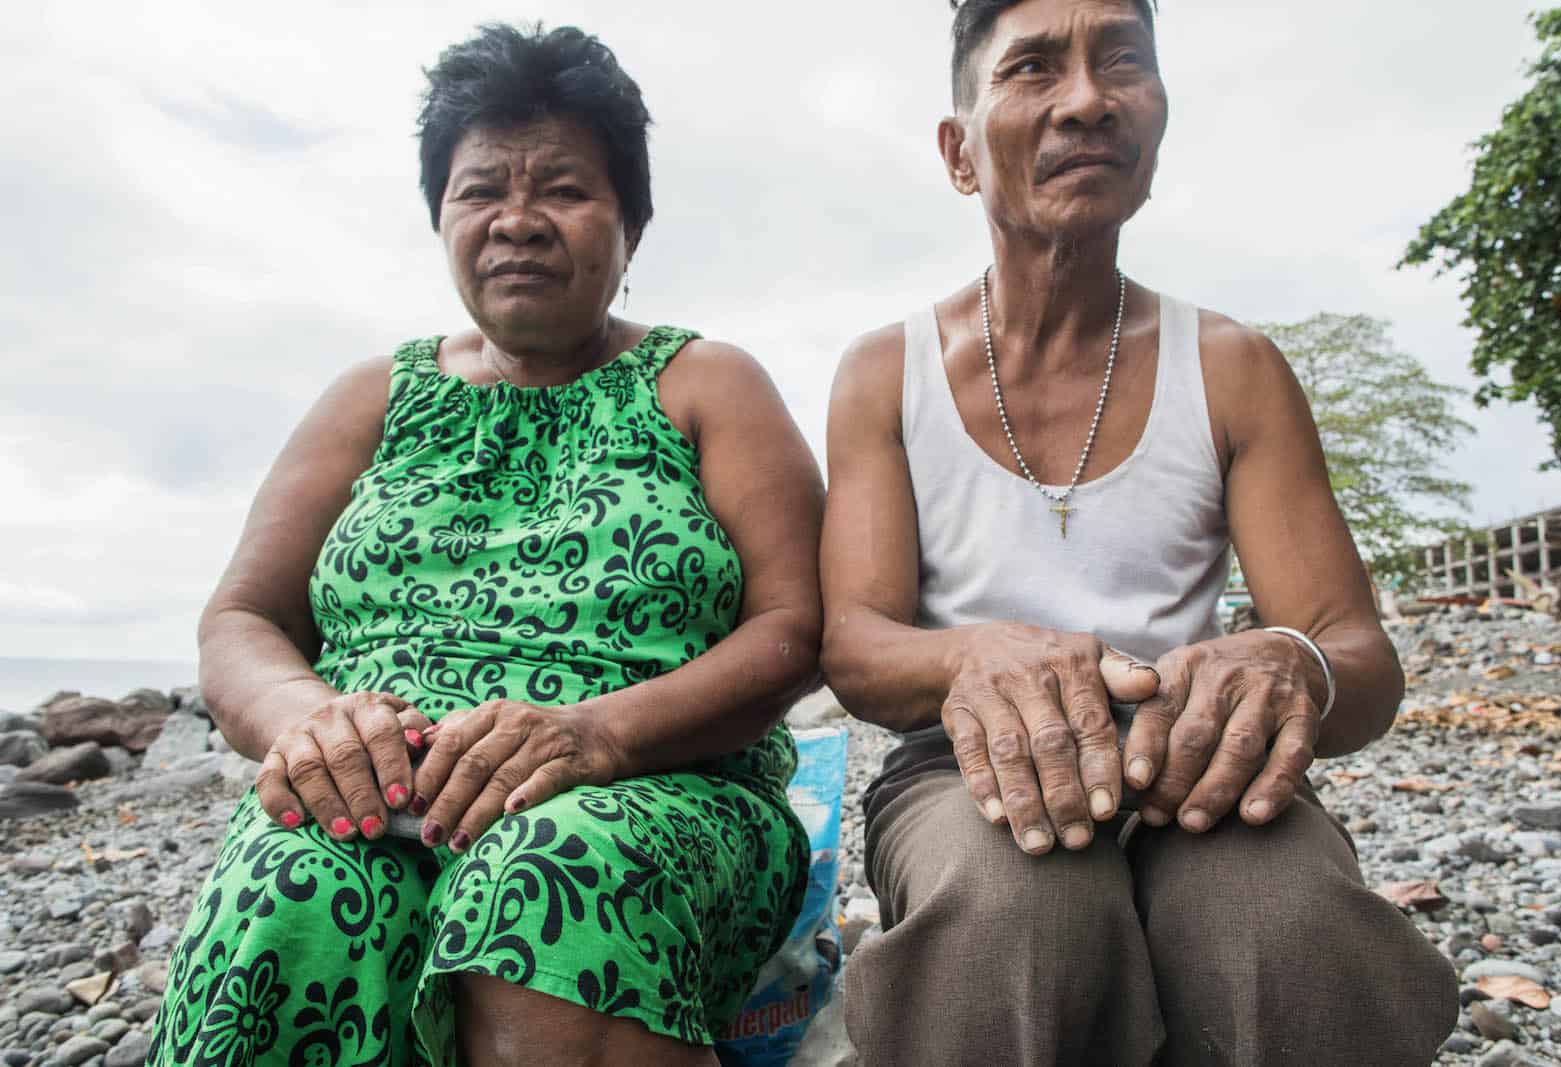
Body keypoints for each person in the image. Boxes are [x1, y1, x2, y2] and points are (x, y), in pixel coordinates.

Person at [148, 23, 823, 1067]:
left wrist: (598, 734)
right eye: (478, 192)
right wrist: (311, 720)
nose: (517, 221)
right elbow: (242, 619)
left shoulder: (706, 385)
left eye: (562, 188)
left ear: (630, 225)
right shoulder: (373, 395)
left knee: (550, 886)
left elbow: (795, 625)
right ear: (440, 219)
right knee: (300, 893)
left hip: (650, 789)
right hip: (373, 796)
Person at [820, 1, 1458, 1063]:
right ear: (958, 152)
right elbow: (855, 645)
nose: (1088, 100)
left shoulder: (1233, 366)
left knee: (1286, 929)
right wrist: (976, 653)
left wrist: (1284, 660)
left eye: (1123, 60)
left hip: (1200, 758)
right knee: (1005, 917)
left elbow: (1357, 657)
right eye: (1033, 68)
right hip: (959, 761)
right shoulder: (885, 373)